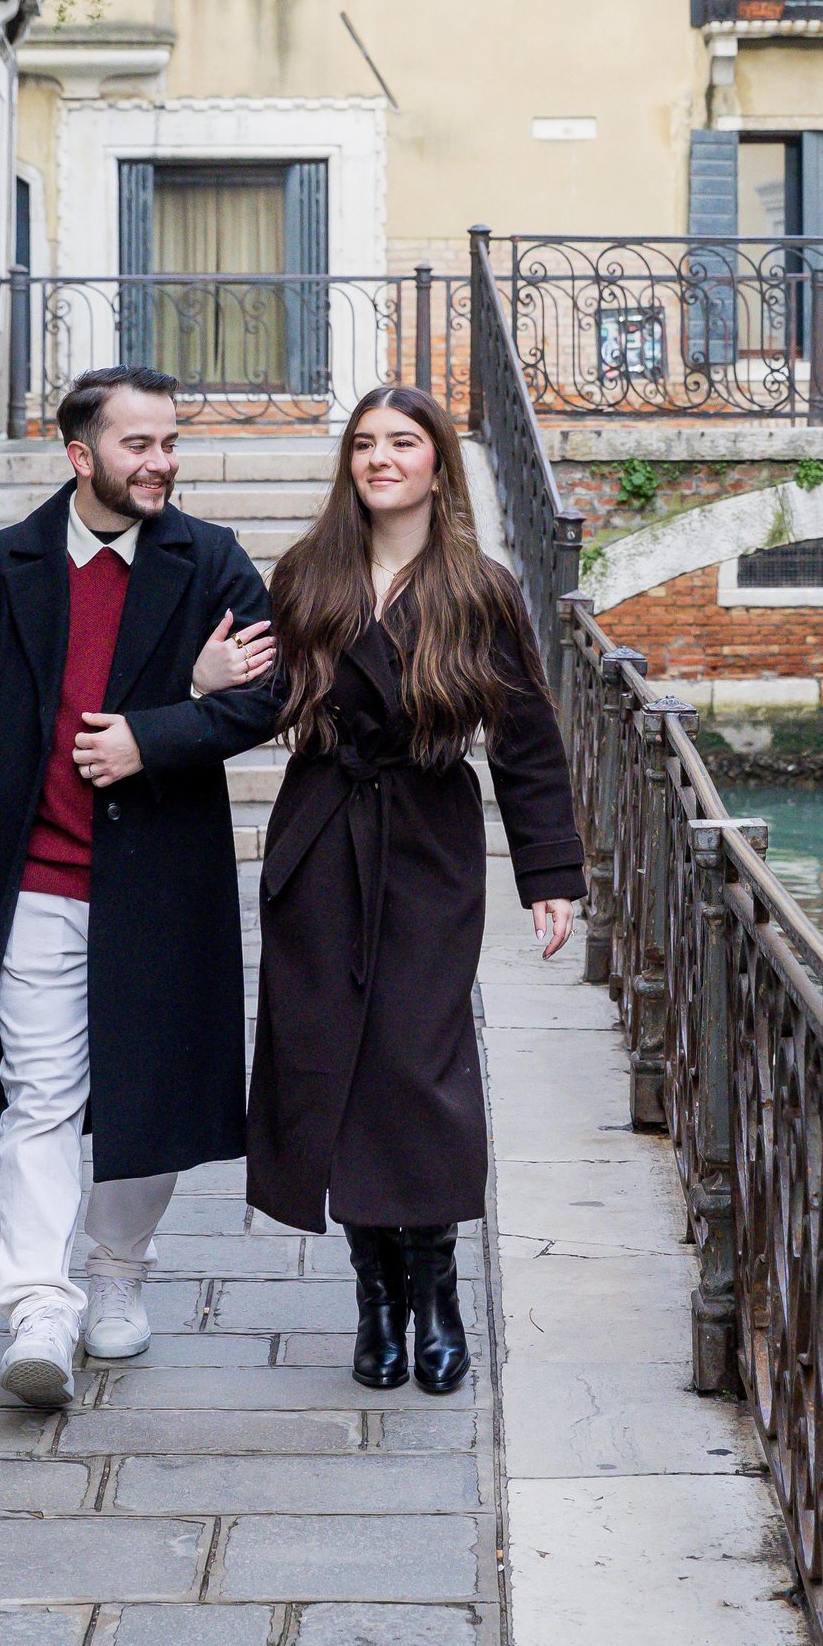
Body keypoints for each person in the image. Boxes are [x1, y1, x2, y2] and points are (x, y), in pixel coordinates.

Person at [0, 366, 277, 1409]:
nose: (159, 462)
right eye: (137, 445)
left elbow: (273, 698)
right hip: (30, 876)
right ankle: (39, 1308)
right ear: (81, 457)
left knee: (144, 1090)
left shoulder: (211, 561)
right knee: (41, 1093)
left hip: (158, 879)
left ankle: (118, 1275)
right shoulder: (5, 563)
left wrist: (157, 735)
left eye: (168, 442)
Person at [242, 385, 584, 1395]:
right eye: (364, 444)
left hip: (429, 845)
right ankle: (374, 1299)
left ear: (439, 462)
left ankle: (434, 1286)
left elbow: (526, 741)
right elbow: (263, 702)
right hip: (319, 838)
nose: (381, 458)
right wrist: (207, 680)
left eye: (402, 442)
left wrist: (549, 874)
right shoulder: (309, 573)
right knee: (329, 1059)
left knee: (417, 1064)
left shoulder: (478, 587)